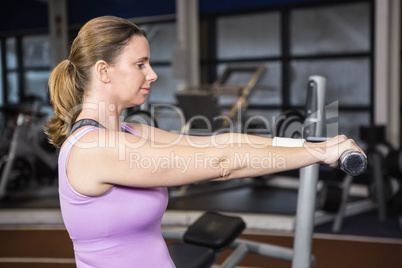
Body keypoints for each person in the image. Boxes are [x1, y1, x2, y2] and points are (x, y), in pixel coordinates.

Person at [45, 16, 365, 268]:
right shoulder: (92, 149)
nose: (153, 74)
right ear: (104, 71)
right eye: (140, 64)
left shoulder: (131, 132)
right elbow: (221, 163)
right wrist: (318, 153)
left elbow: (217, 143)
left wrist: (314, 147)